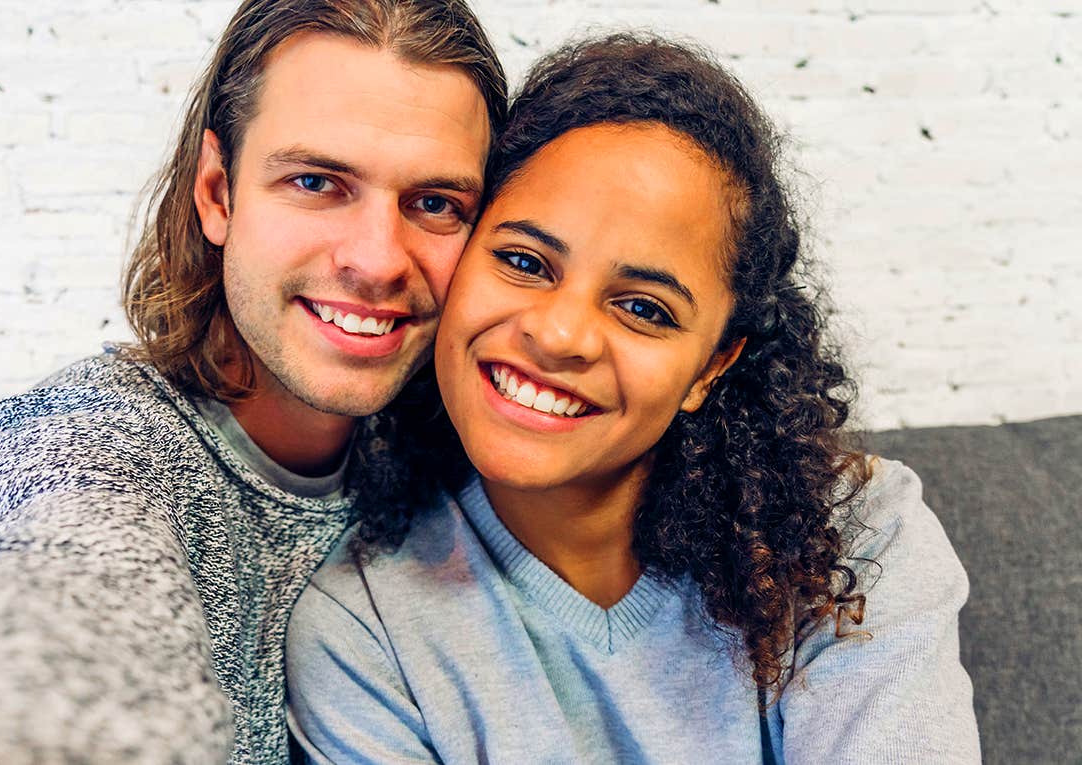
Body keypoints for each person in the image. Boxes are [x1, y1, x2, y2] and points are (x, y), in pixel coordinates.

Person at [0, 2, 504, 763]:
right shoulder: (92, 443)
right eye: (315, 182)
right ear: (217, 193)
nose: (378, 259)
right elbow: (59, 612)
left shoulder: (469, 449)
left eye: (435, 204)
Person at [286, 33, 980, 763]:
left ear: (713, 364)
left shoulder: (853, 542)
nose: (559, 334)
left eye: (644, 308)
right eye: (524, 261)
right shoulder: (363, 632)